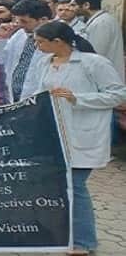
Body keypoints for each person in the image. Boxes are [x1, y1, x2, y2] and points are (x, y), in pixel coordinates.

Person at [31, 22, 126, 255]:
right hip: (52, 132)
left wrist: (78, 98)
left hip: (84, 134)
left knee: (76, 186)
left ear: (58, 41)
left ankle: (84, 242)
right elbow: (38, 92)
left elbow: (118, 94)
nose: (37, 46)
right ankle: (61, 234)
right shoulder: (45, 62)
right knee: (57, 187)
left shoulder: (93, 63)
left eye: (40, 41)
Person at [0, 0, 54, 102]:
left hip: (41, 100)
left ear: (43, 19)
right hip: (13, 98)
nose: (20, 24)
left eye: (24, 21)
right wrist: (1, 38)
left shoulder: (58, 40)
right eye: (18, 21)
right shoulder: (19, 35)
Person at [72, 0, 125, 82]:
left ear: (86, 5)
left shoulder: (102, 22)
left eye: (74, 5)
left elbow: (96, 53)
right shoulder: (99, 20)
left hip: (106, 75)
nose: (72, 8)